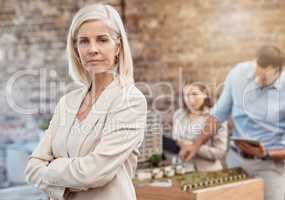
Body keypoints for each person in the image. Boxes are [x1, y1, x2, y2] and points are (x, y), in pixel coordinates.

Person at [25, 4, 147, 200]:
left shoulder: (131, 100)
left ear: (118, 46)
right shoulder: (67, 101)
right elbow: (32, 166)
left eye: (102, 40)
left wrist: (50, 170)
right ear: (76, 49)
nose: (92, 49)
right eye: (84, 41)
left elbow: (94, 172)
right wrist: (62, 186)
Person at [178, 45, 285, 200]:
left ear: (278, 70)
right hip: (237, 162)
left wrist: (266, 153)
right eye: (258, 73)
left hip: (271, 168)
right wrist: (196, 145)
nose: (258, 80)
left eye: (264, 78)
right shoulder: (239, 73)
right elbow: (217, 115)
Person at [173, 83, 227, 171]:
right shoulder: (178, 115)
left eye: (194, 94)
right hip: (182, 171)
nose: (190, 100)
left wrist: (194, 147)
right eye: (186, 95)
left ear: (205, 94)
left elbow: (220, 152)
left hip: (208, 173)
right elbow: (177, 141)